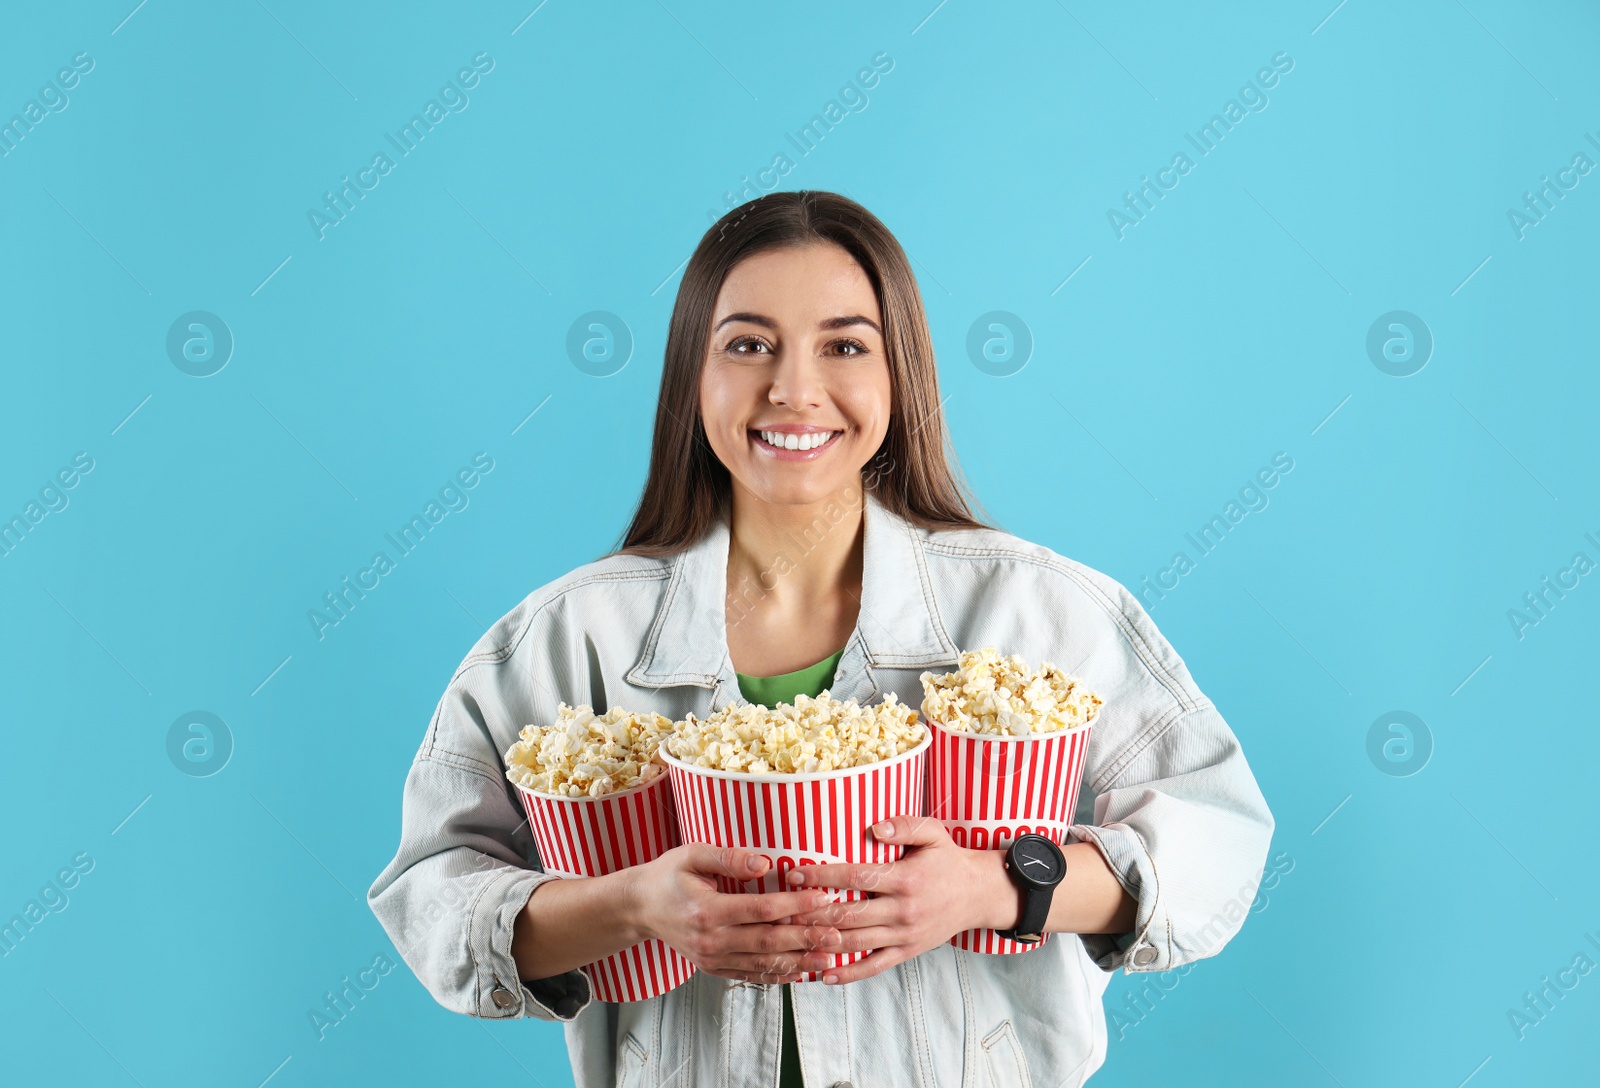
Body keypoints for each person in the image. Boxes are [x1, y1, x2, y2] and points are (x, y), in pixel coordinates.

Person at [368, 190, 1274, 1087]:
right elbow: (431, 894)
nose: (793, 390)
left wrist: (992, 889)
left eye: (844, 346)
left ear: (901, 376)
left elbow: (1219, 842)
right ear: (694, 374)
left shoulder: (1042, 612)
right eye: (748, 344)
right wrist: (633, 903)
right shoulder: (567, 640)